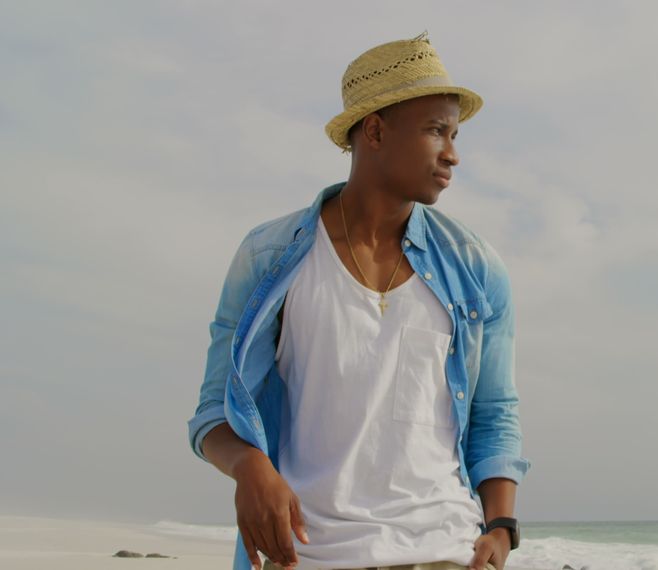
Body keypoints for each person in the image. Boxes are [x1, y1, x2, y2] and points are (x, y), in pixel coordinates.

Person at [186, 32, 531, 570]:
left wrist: (502, 526)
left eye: (455, 134)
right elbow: (213, 412)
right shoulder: (269, 257)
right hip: (306, 554)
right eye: (436, 130)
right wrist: (250, 468)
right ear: (374, 130)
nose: (453, 154)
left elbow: (495, 410)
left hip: (444, 549)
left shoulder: (476, 267)